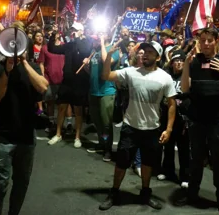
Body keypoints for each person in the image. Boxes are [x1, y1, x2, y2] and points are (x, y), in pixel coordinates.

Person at [99, 41, 177, 211]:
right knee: (121, 163)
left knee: (148, 164)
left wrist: (169, 129)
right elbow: (106, 76)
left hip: (152, 129)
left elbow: (172, 104)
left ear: (158, 57)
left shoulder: (165, 77)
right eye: (144, 51)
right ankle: (114, 192)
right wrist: (108, 58)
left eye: (150, 52)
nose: (145, 54)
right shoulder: (131, 72)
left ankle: (145, 193)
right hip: (130, 127)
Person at [177, 27, 219, 215]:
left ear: (216, 41)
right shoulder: (194, 61)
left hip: (217, 121)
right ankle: (192, 194)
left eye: (209, 40)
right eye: (202, 40)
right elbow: (185, 89)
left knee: (217, 161)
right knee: (195, 159)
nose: (205, 43)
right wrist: (187, 65)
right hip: (197, 119)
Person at [0, 43, 48, 215]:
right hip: (2, 137)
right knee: (0, 185)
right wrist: (8, 70)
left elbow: (43, 87)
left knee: (22, 183)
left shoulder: (32, 68)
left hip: (26, 137)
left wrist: (25, 64)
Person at [47, 22, 92, 148]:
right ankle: (58, 134)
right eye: (72, 30)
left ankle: (77, 137)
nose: (73, 32)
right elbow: (53, 49)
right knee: (61, 107)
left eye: (75, 30)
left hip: (79, 82)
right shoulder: (69, 45)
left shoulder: (86, 43)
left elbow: (84, 50)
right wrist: (53, 36)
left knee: (78, 110)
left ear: (81, 31)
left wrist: (78, 37)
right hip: (67, 81)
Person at [157, 50, 190, 186]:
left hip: (183, 118)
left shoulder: (187, 76)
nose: (179, 62)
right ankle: (167, 171)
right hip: (167, 115)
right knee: (168, 145)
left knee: (183, 148)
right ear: (171, 63)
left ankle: (185, 176)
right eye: (176, 60)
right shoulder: (167, 76)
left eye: (181, 60)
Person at [85, 31, 119, 162]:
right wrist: (86, 66)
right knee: (97, 120)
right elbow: (92, 72)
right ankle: (101, 143)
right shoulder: (95, 50)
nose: (97, 38)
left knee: (106, 123)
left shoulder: (112, 49)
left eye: (101, 36)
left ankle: (108, 149)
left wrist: (103, 44)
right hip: (94, 90)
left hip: (107, 91)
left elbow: (106, 61)